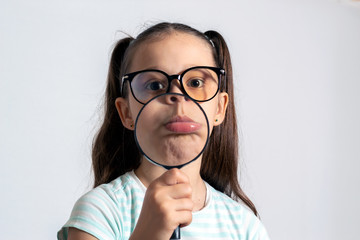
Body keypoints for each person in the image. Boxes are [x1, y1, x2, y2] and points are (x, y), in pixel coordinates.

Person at [58, 22, 270, 240]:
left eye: (195, 82)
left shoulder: (246, 228)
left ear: (219, 107)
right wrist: (148, 234)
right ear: (126, 113)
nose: (177, 96)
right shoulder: (100, 212)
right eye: (154, 85)